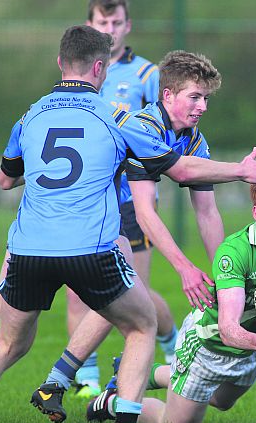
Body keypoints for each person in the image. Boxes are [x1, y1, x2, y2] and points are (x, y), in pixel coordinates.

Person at [0, 25, 256, 423]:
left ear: (61, 63)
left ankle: (37, 386)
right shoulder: (116, 118)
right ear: (101, 67)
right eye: (196, 96)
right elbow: (180, 172)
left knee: (8, 343)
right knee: (140, 324)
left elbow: (6, 179)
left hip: (30, 245)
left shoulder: (30, 116)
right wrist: (243, 171)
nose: (201, 105)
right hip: (89, 244)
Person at [30, 49, 256, 423]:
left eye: (206, 98)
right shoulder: (144, 127)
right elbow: (155, 201)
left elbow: (206, 212)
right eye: (194, 96)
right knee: (128, 303)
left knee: (128, 300)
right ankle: (64, 382)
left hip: (116, 215)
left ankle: (61, 381)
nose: (202, 106)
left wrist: (225, 275)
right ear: (167, 95)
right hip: (85, 213)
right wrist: (185, 266)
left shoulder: (194, 139)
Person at [86, 171, 256, 423]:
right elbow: (227, 328)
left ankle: (142, 371)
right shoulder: (235, 251)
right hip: (209, 342)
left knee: (221, 402)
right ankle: (112, 402)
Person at [67, 0, 176, 399]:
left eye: (116, 21)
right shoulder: (76, 75)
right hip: (86, 201)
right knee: (78, 290)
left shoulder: (147, 75)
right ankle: (87, 380)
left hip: (131, 201)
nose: (110, 28)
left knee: (137, 293)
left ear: (128, 24)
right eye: (102, 21)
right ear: (90, 24)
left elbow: (165, 131)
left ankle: (174, 348)